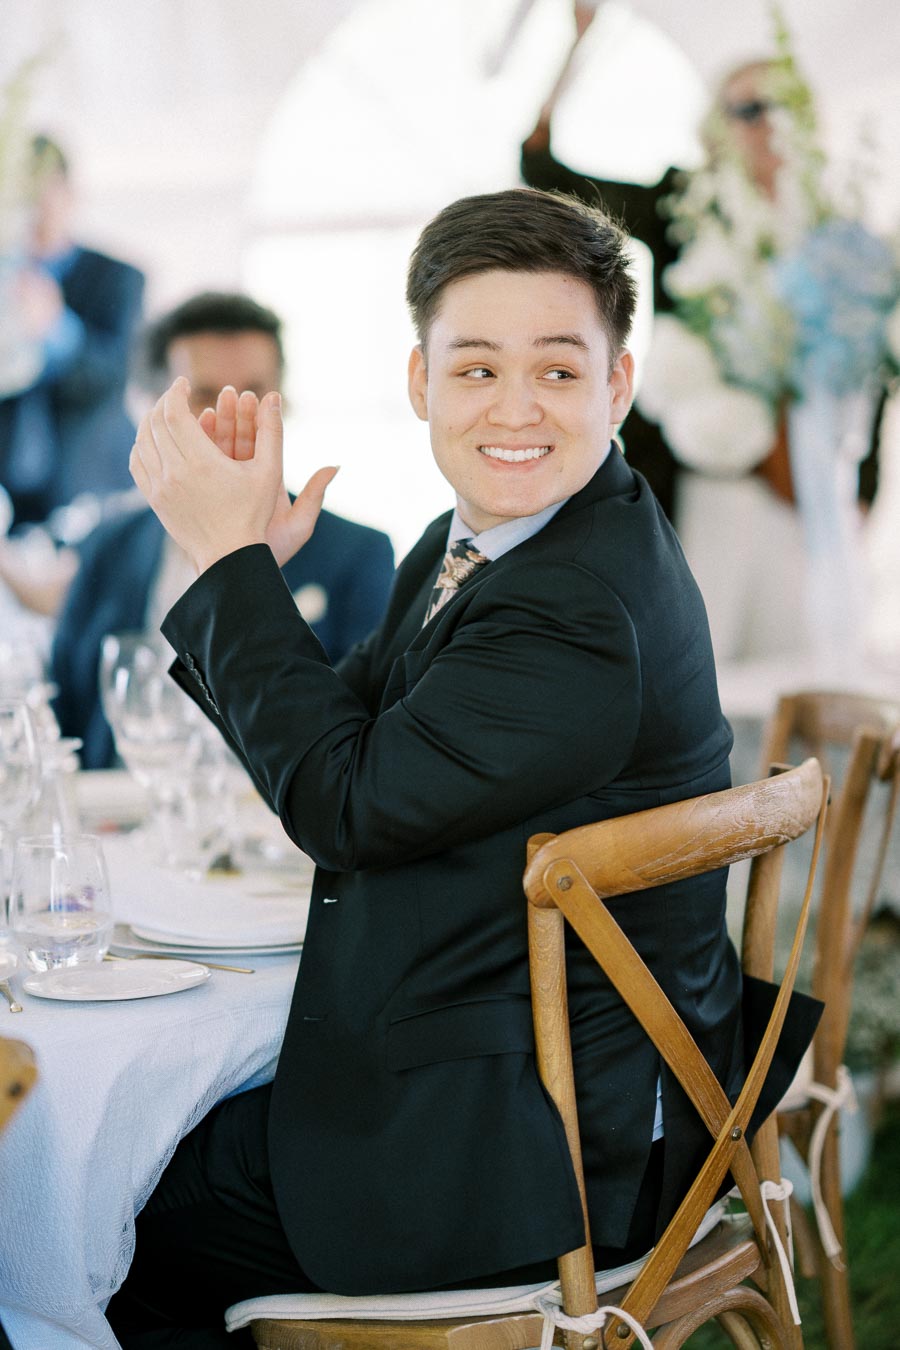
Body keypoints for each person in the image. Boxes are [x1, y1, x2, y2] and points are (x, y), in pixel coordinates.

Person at [107, 187, 750, 1347]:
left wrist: (225, 565)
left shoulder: (576, 607)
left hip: (534, 1159)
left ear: (619, 383)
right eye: (475, 370)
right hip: (527, 1080)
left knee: (121, 1198)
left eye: (558, 371)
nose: (516, 409)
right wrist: (247, 568)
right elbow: (344, 744)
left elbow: (342, 806)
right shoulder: (501, 537)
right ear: (419, 383)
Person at [520, 30, 881, 534]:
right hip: (688, 477)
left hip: (801, 486)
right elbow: (545, 173)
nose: (769, 123)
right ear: (718, 125)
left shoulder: (836, 231)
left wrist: (865, 487)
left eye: (785, 105)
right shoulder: (681, 208)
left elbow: (866, 361)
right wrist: (575, 42)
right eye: (750, 109)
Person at [50, 291, 396, 769]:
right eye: (207, 397)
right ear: (152, 410)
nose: (238, 419)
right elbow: (65, 710)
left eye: (256, 395)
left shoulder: (359, 552)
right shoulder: (108, 545)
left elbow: (363, 736)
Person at [0, 135, 145, 529]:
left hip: (90, 491)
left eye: (39, 197)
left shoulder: (120, 278)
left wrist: (55, 326)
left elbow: (112, 375)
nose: (30, 213)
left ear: (69, 194)